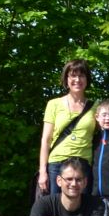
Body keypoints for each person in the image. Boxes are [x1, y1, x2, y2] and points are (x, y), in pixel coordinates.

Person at [36, 59, 96, 195]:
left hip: (83, 164)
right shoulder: (53, 104)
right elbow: (46, 140)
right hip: (57, 164)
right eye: (73, 75)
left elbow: (107, 134)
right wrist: (42, 171)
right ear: (66, 79)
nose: (77, 79)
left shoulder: (95, 107)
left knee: (83, 209)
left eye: (81, 75)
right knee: (56, 208)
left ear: (87, 79)